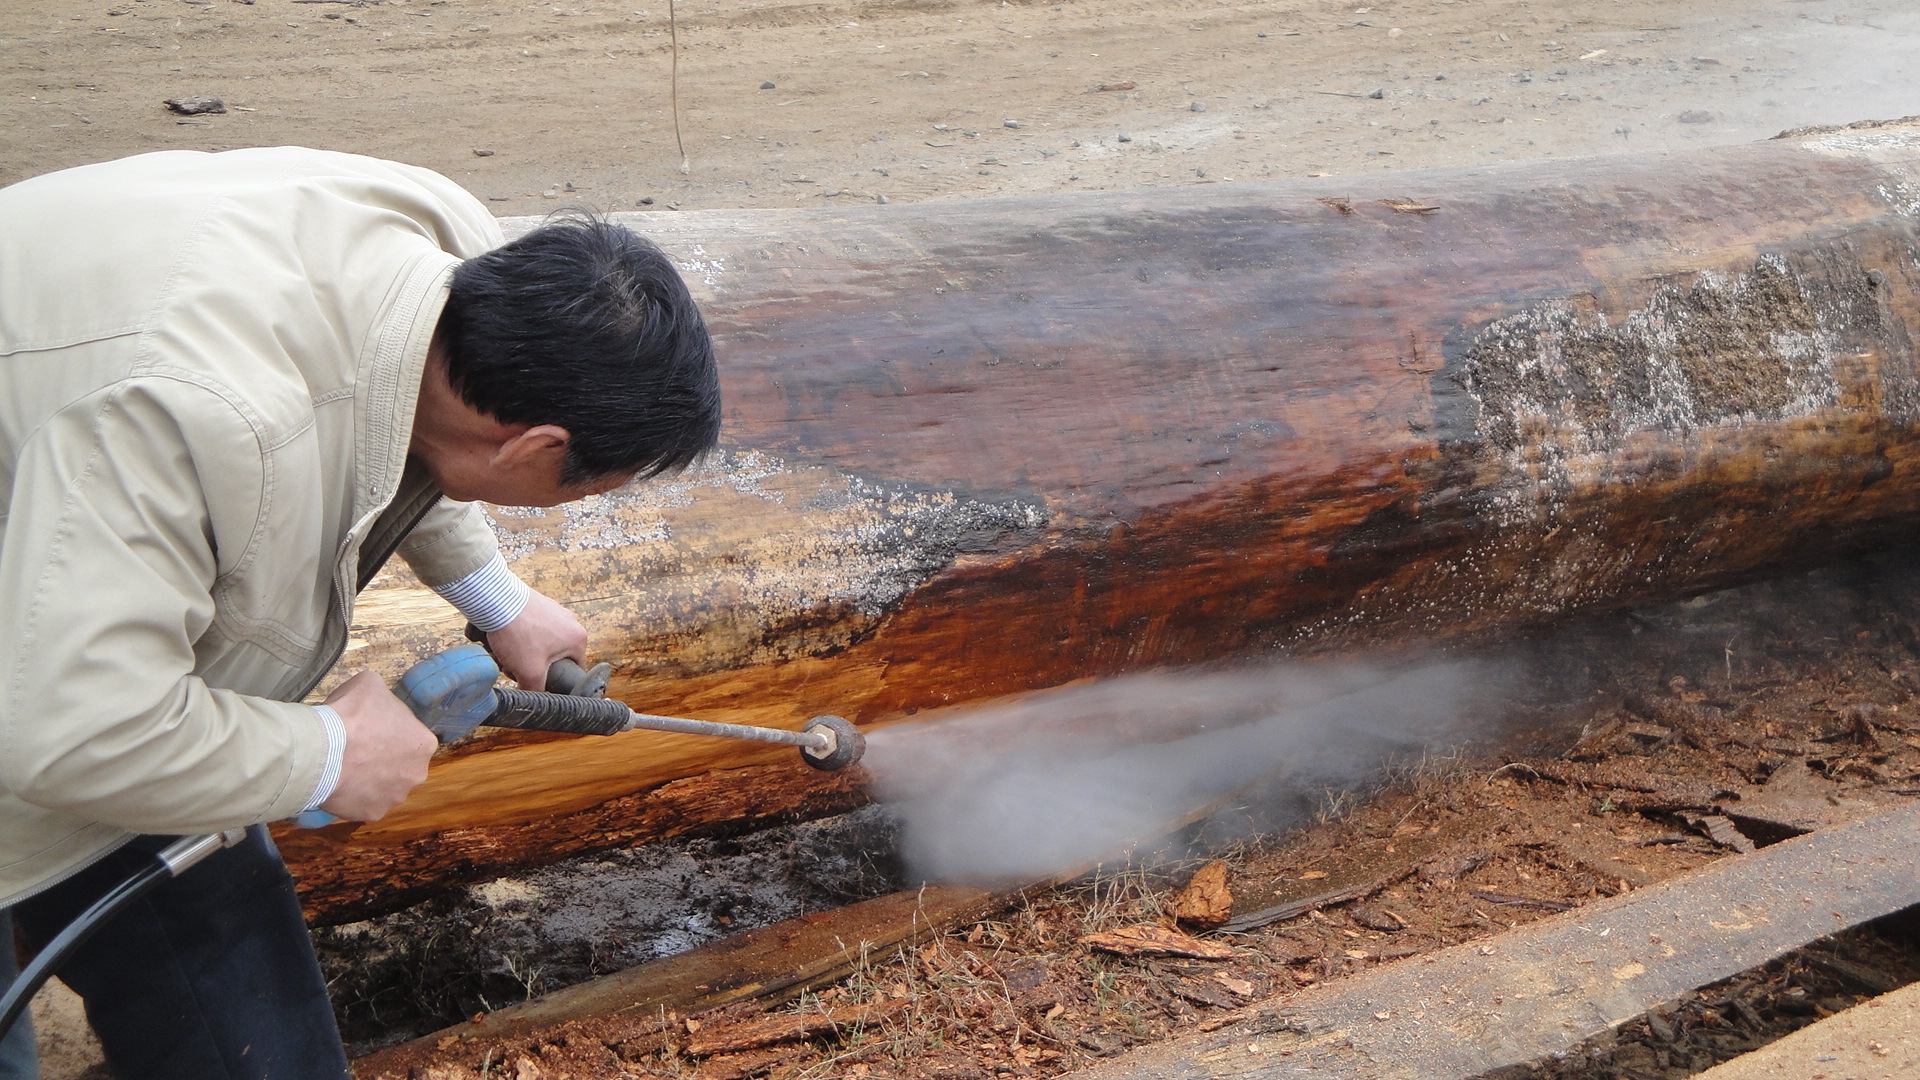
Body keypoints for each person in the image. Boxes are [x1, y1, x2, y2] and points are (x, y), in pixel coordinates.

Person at [0, 147, 719, 1079]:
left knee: (251, 1024)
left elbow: (402, 418)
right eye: (586, 489)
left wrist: (494, 597)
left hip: (91, 605)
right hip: (59, 682)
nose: (576, 505)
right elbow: (70, 725)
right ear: (535, 445)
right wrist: (327, 756)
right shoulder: (203, 419)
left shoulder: (444, 264)